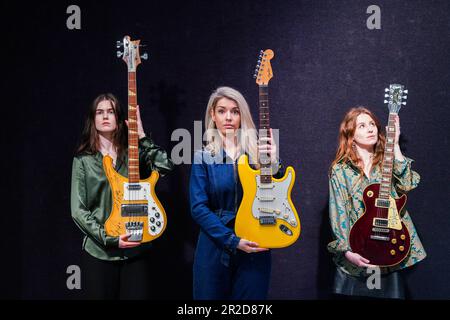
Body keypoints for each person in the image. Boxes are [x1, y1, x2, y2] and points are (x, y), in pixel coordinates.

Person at [71, 93, 173, 299]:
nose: (105, 116)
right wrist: (110, 239)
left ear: (119, 118)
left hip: (135, 250)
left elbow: (165, 165)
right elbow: (78, 210)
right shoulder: (83, 160)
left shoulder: (133, 154)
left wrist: (142, 136)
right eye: (100, 112)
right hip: (100, 251)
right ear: (93, 119)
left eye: (110, 111)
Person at [189, 86, 284, 300]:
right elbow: (198, 208)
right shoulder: (203, 157)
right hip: (215, 245)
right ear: (212, 115)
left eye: (235, 111)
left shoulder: (257, 155)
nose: (228, 117)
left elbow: (278, 197)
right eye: (222, 111)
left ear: (242, 115)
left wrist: (274, 162)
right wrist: (232, 240)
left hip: (255, 242)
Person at [327, 106, 426, 299]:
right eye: (362, 126)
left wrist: (395, 144)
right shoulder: (340, 170)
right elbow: (337, 210)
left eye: (372, 124)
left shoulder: (387, 162)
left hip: (390, 245)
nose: (370, 129)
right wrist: (346, 251)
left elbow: (407, 184)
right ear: (351, 134)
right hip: (358, 246)